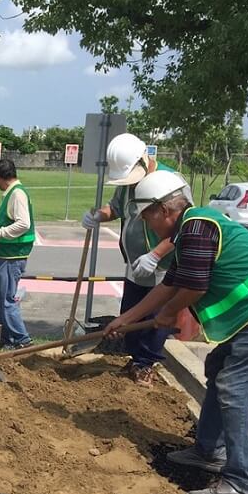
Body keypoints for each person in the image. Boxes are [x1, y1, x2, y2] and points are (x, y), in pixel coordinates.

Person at [105, 171, 248, 494]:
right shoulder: (191, 230)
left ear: (163, 210)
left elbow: (194, 287)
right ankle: (209, 450)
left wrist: (167, 316)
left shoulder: (197, 226)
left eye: (148, 219)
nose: (150, 229)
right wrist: (125, 319)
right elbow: (170, 285)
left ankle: (241, 482)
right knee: (218, 366)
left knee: (234, 389)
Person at [81, 133, 178, 387]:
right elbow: (115, 208)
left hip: (161, 266)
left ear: (144, 160)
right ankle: (136, 360)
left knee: (153, 317)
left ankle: (147, 364)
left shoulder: (170, 182)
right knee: (131, 313)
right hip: (135, 264)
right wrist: (98, 215)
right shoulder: (128, 184)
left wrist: (156, 254)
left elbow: (182, 229)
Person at [0, 158, 35, 350]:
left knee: (6, 300)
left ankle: (22, 339)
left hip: (13, 255)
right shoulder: (11, 192)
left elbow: (23, 224)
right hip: (6, 253)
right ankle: (7, 338)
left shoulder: (17, 193)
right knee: (0, 298)